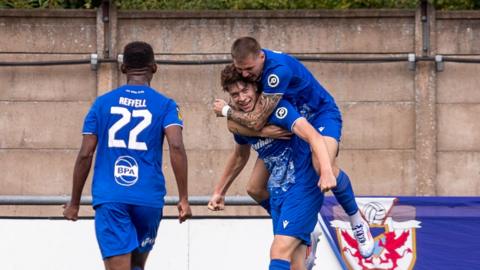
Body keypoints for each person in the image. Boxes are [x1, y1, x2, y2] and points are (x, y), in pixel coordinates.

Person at [213, 37, 374, 258]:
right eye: (242, 71)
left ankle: (356, 219)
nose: (246, 74)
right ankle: (299, 225)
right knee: (254, 188)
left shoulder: (276, 73)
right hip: (291, 125)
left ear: (261, 57)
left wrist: (226, 113)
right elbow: (244, 139)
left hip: (319, 115)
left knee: (320, 163)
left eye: (249, 70)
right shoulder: (252, 77)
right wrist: (219, 191)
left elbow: (257, 121)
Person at [63, 41, 192, 270]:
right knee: (136, 267)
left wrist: (74, 202)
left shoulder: (102, 104)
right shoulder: (166, 105)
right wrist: (183, 198)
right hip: (148, 198)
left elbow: (85, 154)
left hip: (111, 196)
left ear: (123, 68)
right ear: (154, 67)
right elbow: (176, 146)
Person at [210, 64, 335, 270]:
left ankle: (301, 224)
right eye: (235, 94)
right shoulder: (239, 123)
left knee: (278, 251)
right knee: (295, 264)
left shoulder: (278, 107)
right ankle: (302, 231)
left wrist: (327, 170)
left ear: (257, 87)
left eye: (245, 90)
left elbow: (313, 136)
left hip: (300, 187)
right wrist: (219, 191)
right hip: (280, 190)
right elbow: (240, 155)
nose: (241, 97)